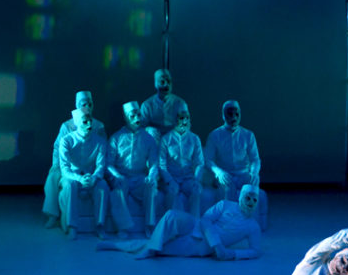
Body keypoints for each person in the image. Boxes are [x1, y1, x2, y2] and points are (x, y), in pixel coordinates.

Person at [96, 184, 261, 260]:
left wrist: (232, 254)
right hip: (196, 225)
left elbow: (255, 251)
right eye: (248, 197)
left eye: (254, 200)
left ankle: (115, 246)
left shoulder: (253, 226)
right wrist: (217, 244)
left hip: (201, 245)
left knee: (160, 246)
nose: (251, 202)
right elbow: (205, 220)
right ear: (241, 197)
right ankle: (152, 248)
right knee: (171, 215)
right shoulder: (225, 204)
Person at [43, 90, 106, 229]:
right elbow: (58, 147)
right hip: (69, 164)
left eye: (90, 104)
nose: (87, 107)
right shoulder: (67, 126)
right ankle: (53, 214)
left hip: (90, 165)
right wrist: (56, 165)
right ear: (77, 105)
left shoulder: (99, 125)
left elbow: (102, 148)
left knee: (102, 183)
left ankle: (99, 224)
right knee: (53, 177)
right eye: (84, 104)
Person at [107, 101, 159, 238]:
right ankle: (123, 228)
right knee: (118, 191)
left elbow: (154, 163)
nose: (136, 118)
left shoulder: (148, 139)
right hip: (121, 176)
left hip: (139, 177)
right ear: (126, 117)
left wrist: (151, 176)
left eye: (138, 115)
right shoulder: (116, 138)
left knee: (151, 187)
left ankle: (150, 225)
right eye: (132, 115)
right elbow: (108, 163)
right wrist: (117, 176)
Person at [57, 108, 108, 240]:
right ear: (77, 123)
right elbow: (65, 169)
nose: (89, 124)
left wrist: (94, 177)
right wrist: (79, 178)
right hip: (71, 177)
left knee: (103, 186)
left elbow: (100, 166)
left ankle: (100, 225)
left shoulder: (100, 141)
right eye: (85, 122)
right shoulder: (66, 140)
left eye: (90, 121)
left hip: (91, 177)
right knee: (70, 186)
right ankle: (72, 226)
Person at [204, 100, 261, 202]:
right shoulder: (215, 135)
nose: (234, 118)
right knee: (227, 191)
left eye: (236, 114)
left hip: (243, 174)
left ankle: (249, 212)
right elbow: (208, 159)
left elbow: (255, 159)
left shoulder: (248, 135)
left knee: (252, 186)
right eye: (230, 114)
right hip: (225, 174)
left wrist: (254, 172)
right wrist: (219, 172)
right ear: (223, 116)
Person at [159, 102, 204, 217]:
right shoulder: (166, 139)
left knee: (196, 190)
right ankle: (171, 224)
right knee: (172, 192)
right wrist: (169, 181)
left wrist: (196, 180)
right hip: (172, 178)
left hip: (188, 178)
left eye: (187, 118)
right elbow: (161, 164)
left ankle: (195, 223)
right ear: (175, 119)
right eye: (181, 118)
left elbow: (199, 163)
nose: (184, 121)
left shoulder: (194, 139)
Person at [140, 68, 187, 144]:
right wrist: (149, 129)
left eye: (168, 81)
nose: (166, 85)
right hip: (154, 141)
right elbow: (141, 127)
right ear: (156, 83)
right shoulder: (147, 105)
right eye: (162, 81)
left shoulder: (180, 103)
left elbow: (185, 124)